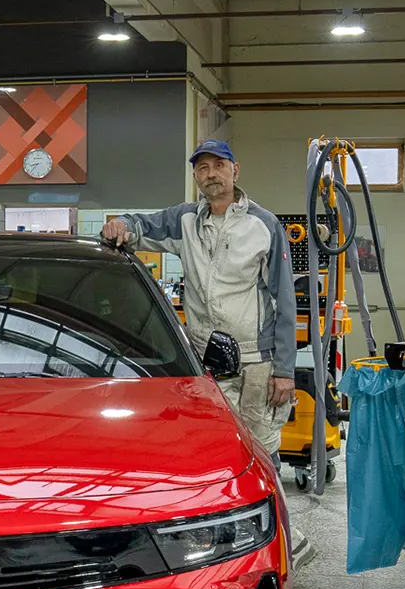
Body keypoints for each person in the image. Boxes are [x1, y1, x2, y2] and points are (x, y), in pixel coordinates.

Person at [100, 139, 298, 455]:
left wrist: (285, 371)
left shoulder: (264, 225)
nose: (211, 174)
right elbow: (142, 225)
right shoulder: (185, 221)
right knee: (215, 447)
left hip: (256, 360)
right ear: (196, 177)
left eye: (219, 165)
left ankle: (266, 506)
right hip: (208, 361)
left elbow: (285, 301)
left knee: (262, 452)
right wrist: (122, 224)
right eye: (202, 168)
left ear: (235, 170)